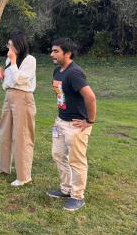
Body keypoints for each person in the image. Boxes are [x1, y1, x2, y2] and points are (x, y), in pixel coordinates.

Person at [47, 38, 97, 212]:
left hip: (76, 125)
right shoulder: (57, 71)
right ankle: (66, 189)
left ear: (67, 53)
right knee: (58, 155)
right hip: (60, 121)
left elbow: (90, 97)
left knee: (76, 161)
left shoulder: (74, 73)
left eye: (55, 51)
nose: (51, 54)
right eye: (52, 51)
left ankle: (77, 196)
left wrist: (89, 121)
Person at [0, 31, 37, 187]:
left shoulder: (30, 60)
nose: (9, 49)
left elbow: (20, 79)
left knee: (21, 136)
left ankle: (24, 176)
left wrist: (13, 62)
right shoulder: (9, 60)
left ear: (19, 45)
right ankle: (3, 167)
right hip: (9, 97)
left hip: (23, 98)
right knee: (5, 132)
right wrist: (2, 75)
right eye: (8, 45)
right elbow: (10, 81)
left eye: (11, 45)